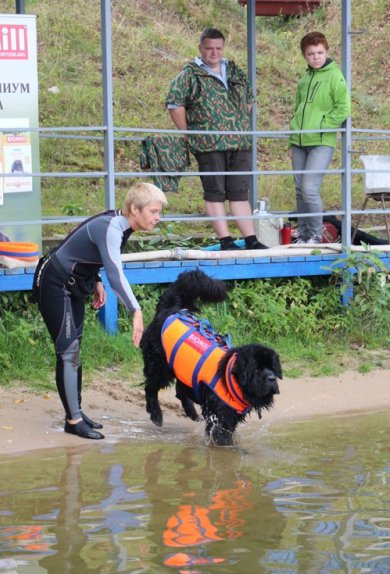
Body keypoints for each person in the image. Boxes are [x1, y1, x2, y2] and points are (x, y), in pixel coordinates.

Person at [33, 182, 167, 440]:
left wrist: (95, 281)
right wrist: (136, 311)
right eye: (153, 211)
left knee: (74, 348)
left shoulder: (120, 225)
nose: (158, 217)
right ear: (134, 209)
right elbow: (116, 274)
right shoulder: (112, 228)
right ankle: (73, 421)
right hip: (54, 283)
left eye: (158, 212)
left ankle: (77, 412)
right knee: (68, 351)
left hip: (72, 283)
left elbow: (86, 248)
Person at [165, 27, 266, 251]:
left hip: (239, 142)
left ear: (223, 48)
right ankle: (226, 240)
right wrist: (189, 133)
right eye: (209, 48)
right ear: (200, 48)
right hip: (209, 144)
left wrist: (235, 122)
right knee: (215, 192)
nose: (214, 52)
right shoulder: (189, 75)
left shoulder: (234, 71)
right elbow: (174, 104)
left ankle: (251, 239)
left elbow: (249, 99)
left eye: (218, 48)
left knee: (240, 192)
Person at [289, 32, 351, 245]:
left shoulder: (335, 75)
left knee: (309, 188)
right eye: (311, 53)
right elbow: (298, 108)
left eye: (320, 52)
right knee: (299, 190)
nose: (316, 57)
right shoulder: (305, 79)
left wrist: (323, 125)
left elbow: (343, 107)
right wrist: (293, 131)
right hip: (298, 142)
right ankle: (304, 235)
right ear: (304, 56)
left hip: (321, 142)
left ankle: (315, 235)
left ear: (326, 51)